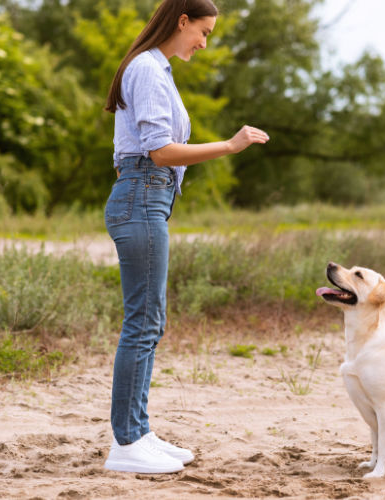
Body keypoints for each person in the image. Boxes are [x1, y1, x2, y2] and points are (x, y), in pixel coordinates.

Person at [102, 0, 269, 474]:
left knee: (148, 322)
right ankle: (127, 444)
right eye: (204, 31)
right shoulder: (148, 71)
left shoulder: (155, 68)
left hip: (145, 198)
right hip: (141, 196)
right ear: (182, 21)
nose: (204, 41)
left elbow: (140, 152)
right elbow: (159, 152)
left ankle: (138, 432)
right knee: (143, 323)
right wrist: (230, 146)